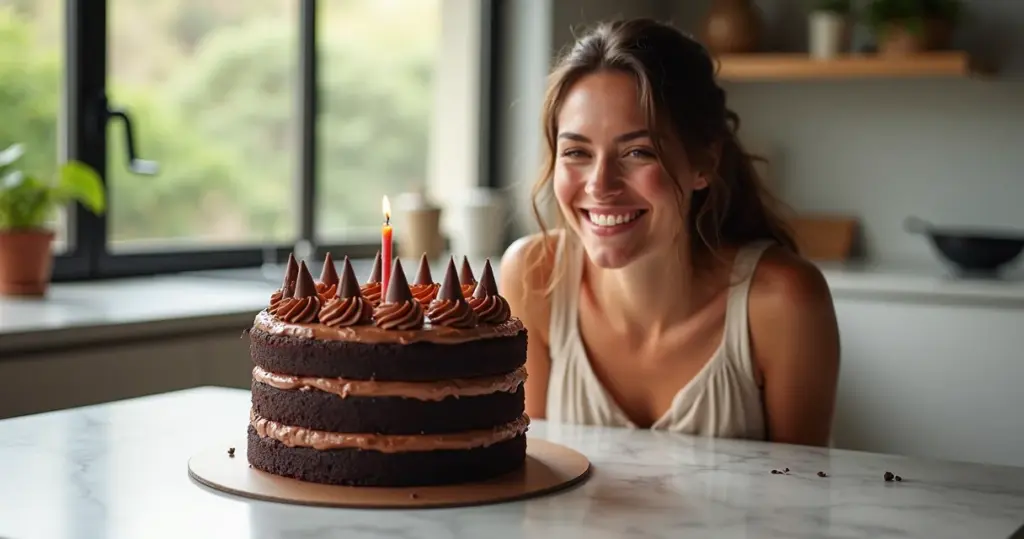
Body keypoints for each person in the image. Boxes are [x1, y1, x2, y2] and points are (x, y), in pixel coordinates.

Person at [499, 19, 840, 447]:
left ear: (704, 163)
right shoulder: (533, 277)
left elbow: (801, 485)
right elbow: (531, 466)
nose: (600, 185)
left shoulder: (785, 302)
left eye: (637, 152)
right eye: (576, 152)